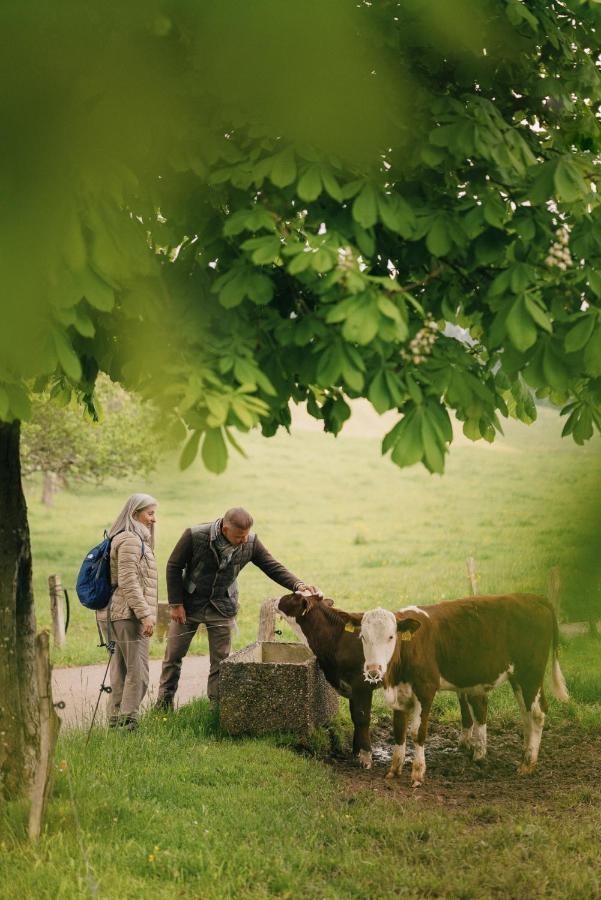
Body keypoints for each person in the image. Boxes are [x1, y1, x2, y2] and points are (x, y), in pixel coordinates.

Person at [156, 507, 320, 709]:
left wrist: (298, 585)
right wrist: (176, 604)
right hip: (189, 605)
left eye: (246, 535)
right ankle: (163, 705)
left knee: (221, 662)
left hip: (222, 605)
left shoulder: (250, 542)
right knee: (173, 657)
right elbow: (173, 566)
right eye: (239, 536)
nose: (244, 540)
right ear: (225, 529)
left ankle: (216, 709)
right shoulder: (194, 535)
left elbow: (272, 566)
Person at [97, 492, 158, 730]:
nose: (154, 519)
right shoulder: (131, 541)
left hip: (116, 613)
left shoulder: (125, 538)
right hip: (127, 616)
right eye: (150, 513)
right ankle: (127, 723)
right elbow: (128, 581)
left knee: (121, 670)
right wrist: (145, 614)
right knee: (139, 673)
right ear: (134, 514)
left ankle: (115, 723)